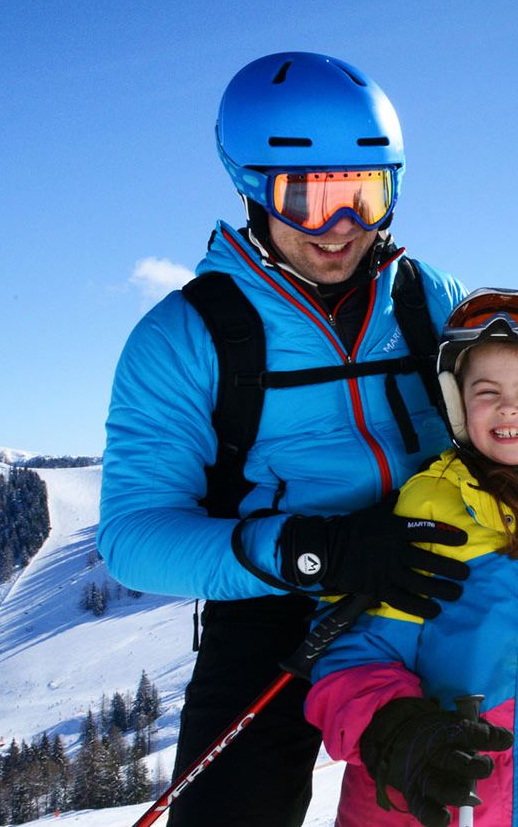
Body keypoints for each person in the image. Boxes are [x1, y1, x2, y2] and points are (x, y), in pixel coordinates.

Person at [99, 51, 469, 826]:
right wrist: (310, 549)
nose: (339, 229)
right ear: (251, 189)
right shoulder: (186, 337)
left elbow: (512, 427)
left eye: (364, 197)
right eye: (305, 198)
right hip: (275, 601)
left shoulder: (427, 300)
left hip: (430, 569)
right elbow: (134, 537)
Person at [303, 289, 518, 827]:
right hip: (420, 804)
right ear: (457, 403)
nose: (508, 407)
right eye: (486, 391)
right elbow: (350, 652)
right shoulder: (428, 508)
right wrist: (398, 733)